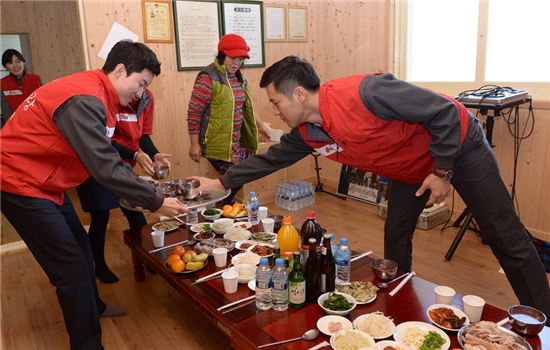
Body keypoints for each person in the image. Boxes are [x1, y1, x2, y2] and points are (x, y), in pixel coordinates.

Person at [192, 55, 550, 322]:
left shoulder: (365, 92)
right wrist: (220, 182)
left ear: (299, 94)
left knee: (505, 236)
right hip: (409, 168)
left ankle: (543, 323)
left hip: (459, 147)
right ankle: (400, 302)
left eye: (276, 102)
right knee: (395, 235)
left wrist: (442, 170)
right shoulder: (307, 133)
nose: (276, 111)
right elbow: (271, 160)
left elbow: (445, 111)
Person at [1, 41, 186, 349]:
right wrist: (156, 200)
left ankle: (94, 308)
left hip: (48, 185)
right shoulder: (84, 98)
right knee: (70, 269)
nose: (141, 94)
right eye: (141, 84)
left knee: (83, 251)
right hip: (21, 185)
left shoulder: (96, 92)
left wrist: (140, 177)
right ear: (120, 69)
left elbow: (105, 150)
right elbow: (104, 166)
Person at [77, 87, 170, 283]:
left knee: (135, 212)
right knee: (100, 216)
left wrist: (155, 154)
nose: (139, 91)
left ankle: (147, 259)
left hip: (123, 167)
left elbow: (143, 135)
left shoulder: (147, 98)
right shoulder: (108, 98)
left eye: (145, 84)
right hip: (97, 165)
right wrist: (134, 154)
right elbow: (103, 141)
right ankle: (99, 266)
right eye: (139, 83)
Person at [186, 34, 270, 203]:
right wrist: (194, 144)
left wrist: (261, 126)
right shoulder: (208, 78)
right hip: (216, 143)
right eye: (232, 58)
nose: (236, 63)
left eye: (240, 59)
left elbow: (246, 107)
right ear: (222, 55)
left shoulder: (239, 78)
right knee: (235, 178)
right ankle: (220, 211)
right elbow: (194, 113)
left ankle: (222, 212)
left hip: (237, 143)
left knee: (236, 179)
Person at [1, 49, 42, 114]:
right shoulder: (2, 84)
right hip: (16, 122)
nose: (15, 66)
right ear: (5, 67)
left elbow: (43, 103)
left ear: (23, 62)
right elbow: (6, 112)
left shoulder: (37, 79)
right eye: (10, 63)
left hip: (37, 120)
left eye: (18, 61)